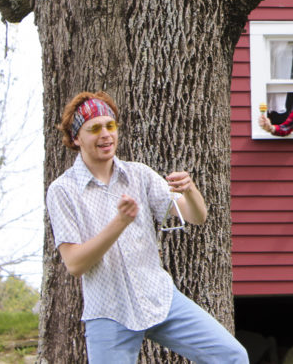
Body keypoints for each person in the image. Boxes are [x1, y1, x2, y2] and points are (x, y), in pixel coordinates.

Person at [45, 91, 249, 364]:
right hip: (109, 311)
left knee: (232, 357)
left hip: (160, 299)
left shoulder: (139, 174)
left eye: (110, 126)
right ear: (75, 138)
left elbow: (196, 216)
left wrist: (190, 191)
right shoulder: (63, 191)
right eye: (94, 128)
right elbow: (75, 264)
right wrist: (119, 223)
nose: (105, 134)